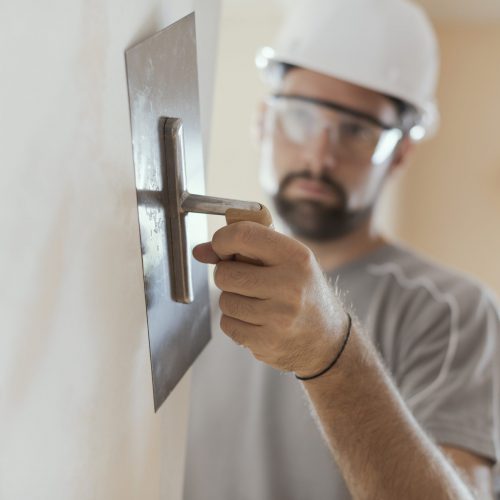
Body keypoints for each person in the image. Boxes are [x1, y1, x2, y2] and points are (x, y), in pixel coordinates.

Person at [183, 0, 500, 498]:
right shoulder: (189, 280)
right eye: (301, 117)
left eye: (356, 130)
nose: (319, 154)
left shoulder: (452, 312)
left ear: (398, 155)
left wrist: (332, 352)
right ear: (263, 120)